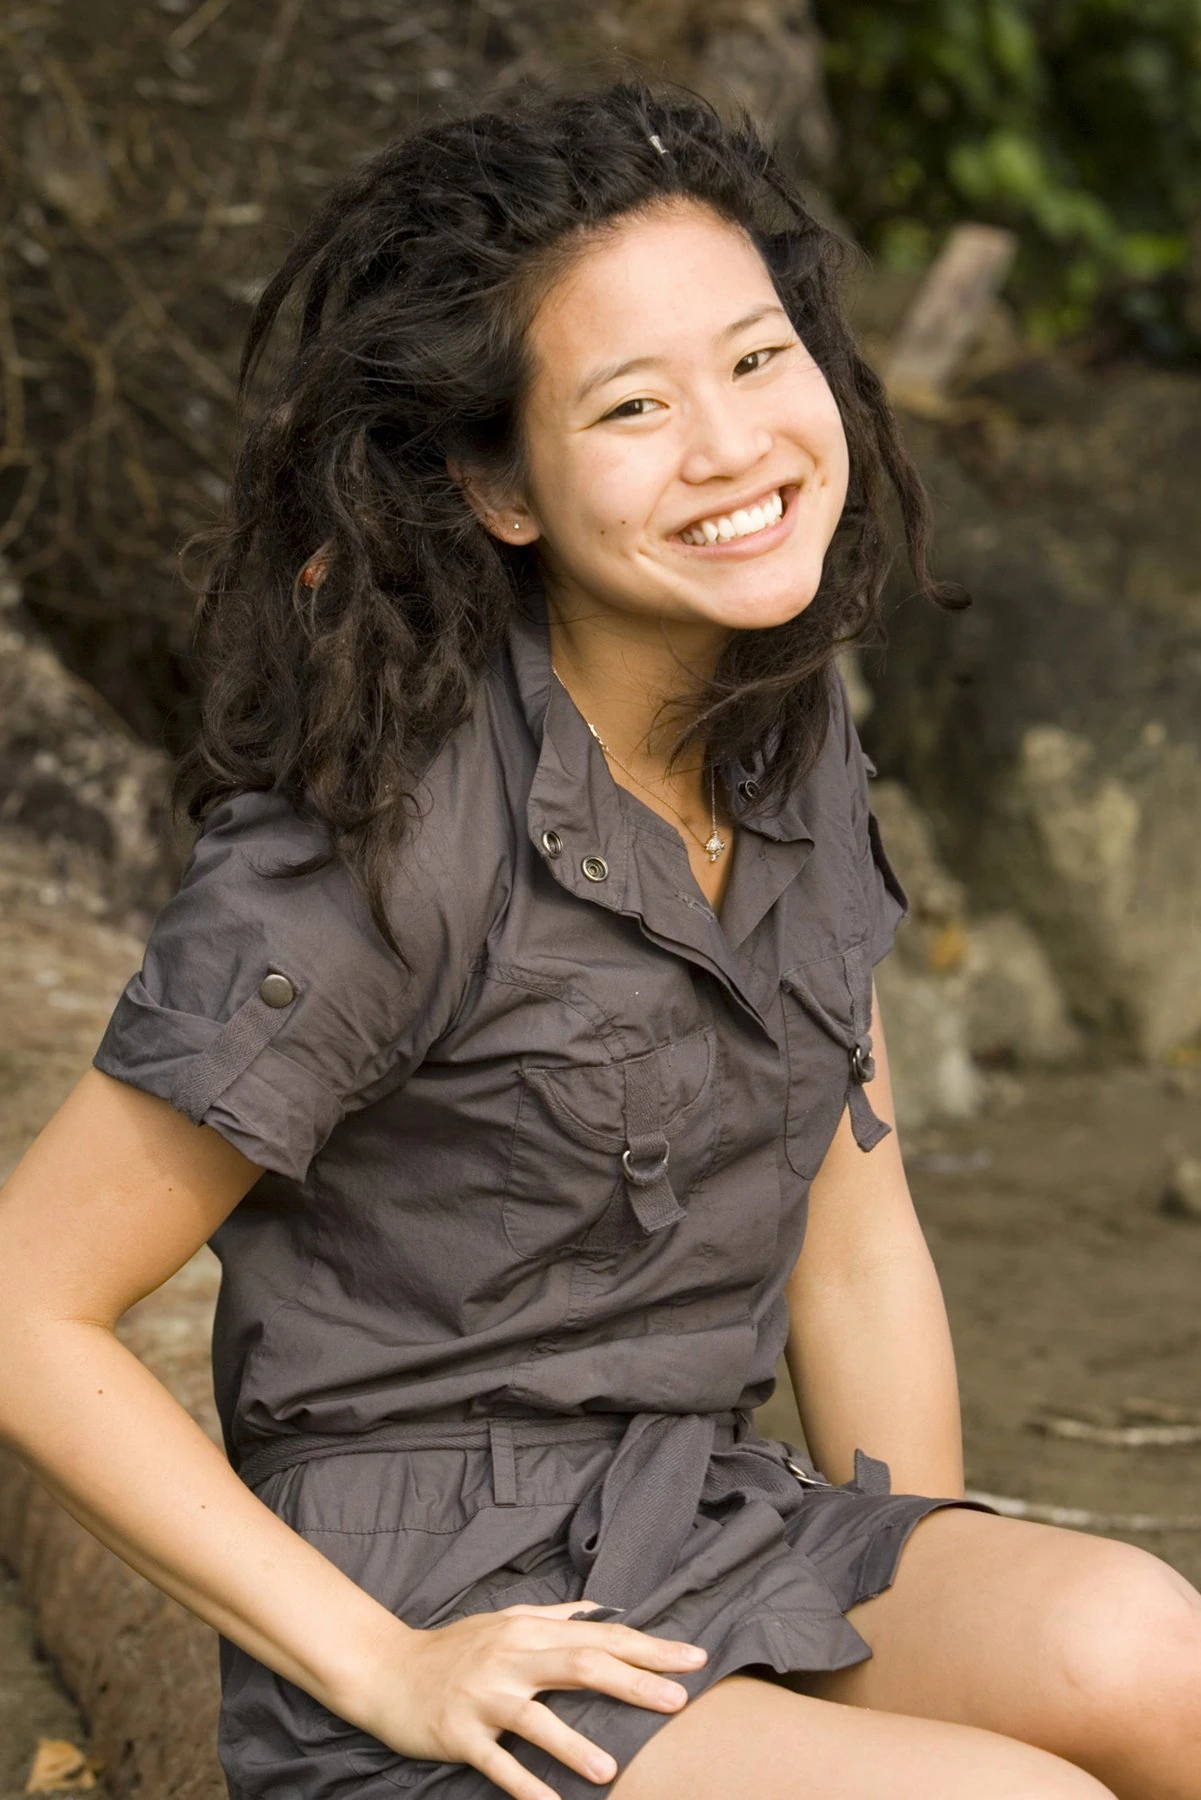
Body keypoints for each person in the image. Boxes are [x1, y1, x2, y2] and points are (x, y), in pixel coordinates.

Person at [1, 77, 1198, 1800]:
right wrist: (381, 1663)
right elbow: (30, 1306)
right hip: (448, 1618)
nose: (731, 445)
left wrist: (910, 1597)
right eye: (634, 404)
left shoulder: (784, 730)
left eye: (759, 358)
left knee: (1151, 1654)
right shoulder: (380, 836)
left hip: (707, 1529)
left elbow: (852, 1232)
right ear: (502, 487)